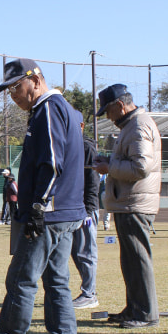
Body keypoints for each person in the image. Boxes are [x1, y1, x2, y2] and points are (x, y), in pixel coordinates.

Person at [0, 58, 85, 334]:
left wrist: (38, 206)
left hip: (49, 214)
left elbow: (52, 162)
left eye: (17, 86)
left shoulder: (48, 109)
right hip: (64, 212)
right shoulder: (60, 109)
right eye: (9, 89)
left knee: (21, 278)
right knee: (56, 280)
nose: (13, 95)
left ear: (36, 80)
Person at [93, 84, 162, 329]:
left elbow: (141, 168)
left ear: (120, 106)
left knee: (137, 258)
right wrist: (110, 161)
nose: (108, 117)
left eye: (108, 111)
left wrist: (108, 167)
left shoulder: (138, 126)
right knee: (131, 260)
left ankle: (145, 313)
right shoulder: (131, 125)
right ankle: (135, 308)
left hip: (135, 203)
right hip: (129, 202)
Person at [72, 127, 100, 309]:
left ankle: (90, 294)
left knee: (85, 252)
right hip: (72, 208)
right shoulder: (69, 144)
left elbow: (93, 179)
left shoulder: (85, 147)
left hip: (85, 209)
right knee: (75, 252)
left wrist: (88, 210)